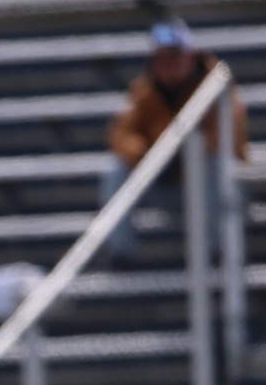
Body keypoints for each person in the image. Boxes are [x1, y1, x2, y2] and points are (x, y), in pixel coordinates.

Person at [99, 19, 250, 266]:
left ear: (190, 56)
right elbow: (120, 134)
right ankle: (121, 255)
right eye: (161, 57)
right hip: (169, 184)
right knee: (115, 170)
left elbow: (230, 134)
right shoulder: (144, 90)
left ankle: (214, 253)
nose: (167, 64)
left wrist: (186, 154)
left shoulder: (218, 84)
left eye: (174, 56)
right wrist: (148, 157)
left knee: (214, 166)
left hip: (213, 187)